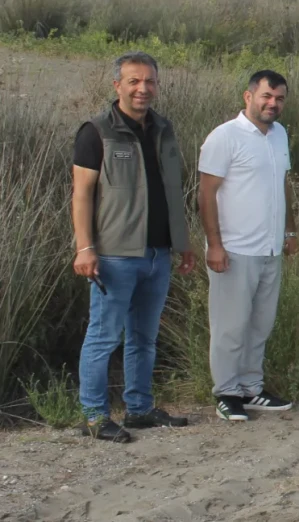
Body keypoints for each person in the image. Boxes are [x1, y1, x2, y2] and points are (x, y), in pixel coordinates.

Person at [72, 52, 195, 442]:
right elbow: (82, 195)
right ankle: (95, 417)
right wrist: (85, 248)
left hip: (158, 253)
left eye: (150, 81)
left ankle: (139, 409)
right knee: (103, 337)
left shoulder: (164, 129)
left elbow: (172, 190)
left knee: (144, 338)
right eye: (134, 81)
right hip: (114, 255)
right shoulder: (96, 132)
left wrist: (182, 242)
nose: (143, 88)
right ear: (117, 86)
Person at [198, 69, 298, 422]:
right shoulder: (224, 136)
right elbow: (206, 194)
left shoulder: (279, 134)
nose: (273, 104)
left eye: (279, 99)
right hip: (235, 249)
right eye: (266, 96)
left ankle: (251, 387)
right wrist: (215, 245)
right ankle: (226, 392)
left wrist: (289, 232)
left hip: (270, 248)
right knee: (230, 326)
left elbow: (283, 183)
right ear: (249, 96)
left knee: (260, 324)